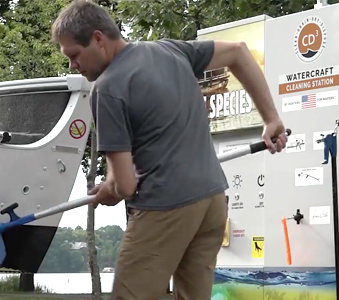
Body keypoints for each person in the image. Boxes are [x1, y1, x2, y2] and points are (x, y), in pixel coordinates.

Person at [51, 0, 287, 299]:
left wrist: (108, 192)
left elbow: (124, 185)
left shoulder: (108, 89)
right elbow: (239, 51)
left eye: (74, 55)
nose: (73, 65)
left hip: (165, 205)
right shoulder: (169, 50)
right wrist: (271, 119)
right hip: (212, 201)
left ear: (98, 39)